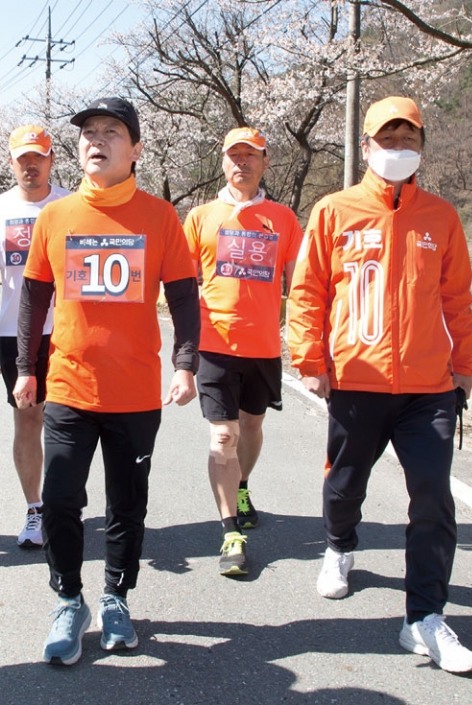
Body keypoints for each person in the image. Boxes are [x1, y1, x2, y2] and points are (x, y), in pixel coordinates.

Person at [287, 96, 472, 673]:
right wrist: (311, 358)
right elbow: (307, 293)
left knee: (432, 497)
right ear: (365, 145)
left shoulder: (441, 217)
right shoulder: (334, 211)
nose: (398, 149)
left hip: (428, 386)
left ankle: (423, 617)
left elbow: (457, 299)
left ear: (421, 147)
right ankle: (340, 546)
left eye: (409, 139)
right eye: (387, 139)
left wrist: (464, 367)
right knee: (345, 484)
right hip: (357, 378)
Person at [13, 97, 200, 665]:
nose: (97, 140)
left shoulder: (160, 216)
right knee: (61, 498)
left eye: (112, 132)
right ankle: (69, 599)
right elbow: (33, 299)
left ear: (136, 148)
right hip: (69, 385)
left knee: (127, 503)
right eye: (88, 132)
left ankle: (117, 595)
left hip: (136, 391)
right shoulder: (56, 215)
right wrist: (26, 368)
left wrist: (185, 362)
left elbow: (186, 298)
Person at [183, 127, 302, 577]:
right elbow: (180, 284)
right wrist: (185, 349)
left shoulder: (283, 219)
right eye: (234, 156)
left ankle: (243, 485)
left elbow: (301, 284)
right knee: (223, 436)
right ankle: (230, 530)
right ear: (223, 163)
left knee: (251, 427)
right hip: (215, 345)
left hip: (264, 347)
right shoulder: (200, 217)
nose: (242, 163)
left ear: (265, 162)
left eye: (251, 156)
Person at [0, 125, 70, 548]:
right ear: (11, 162)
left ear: (51, 159)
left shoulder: (72, 204)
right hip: (16, 335)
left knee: (68, 422)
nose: (31, 165)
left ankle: (63, 505)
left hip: (68, 332)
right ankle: (35, 510)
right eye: (22, 158)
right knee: (27, 419)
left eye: (39, 157)